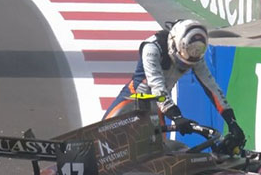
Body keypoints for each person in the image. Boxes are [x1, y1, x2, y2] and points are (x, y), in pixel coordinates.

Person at [103, 19, 245, 149]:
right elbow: (157, 86)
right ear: (174, 44)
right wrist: (176, 116)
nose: (185, 65)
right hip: (133, 99)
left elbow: (211, 86)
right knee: (102, 140)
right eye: (183, 59)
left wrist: (232, 122)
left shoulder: (194, 53)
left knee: (159, 152)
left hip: (158, 106)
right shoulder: (152, 48)